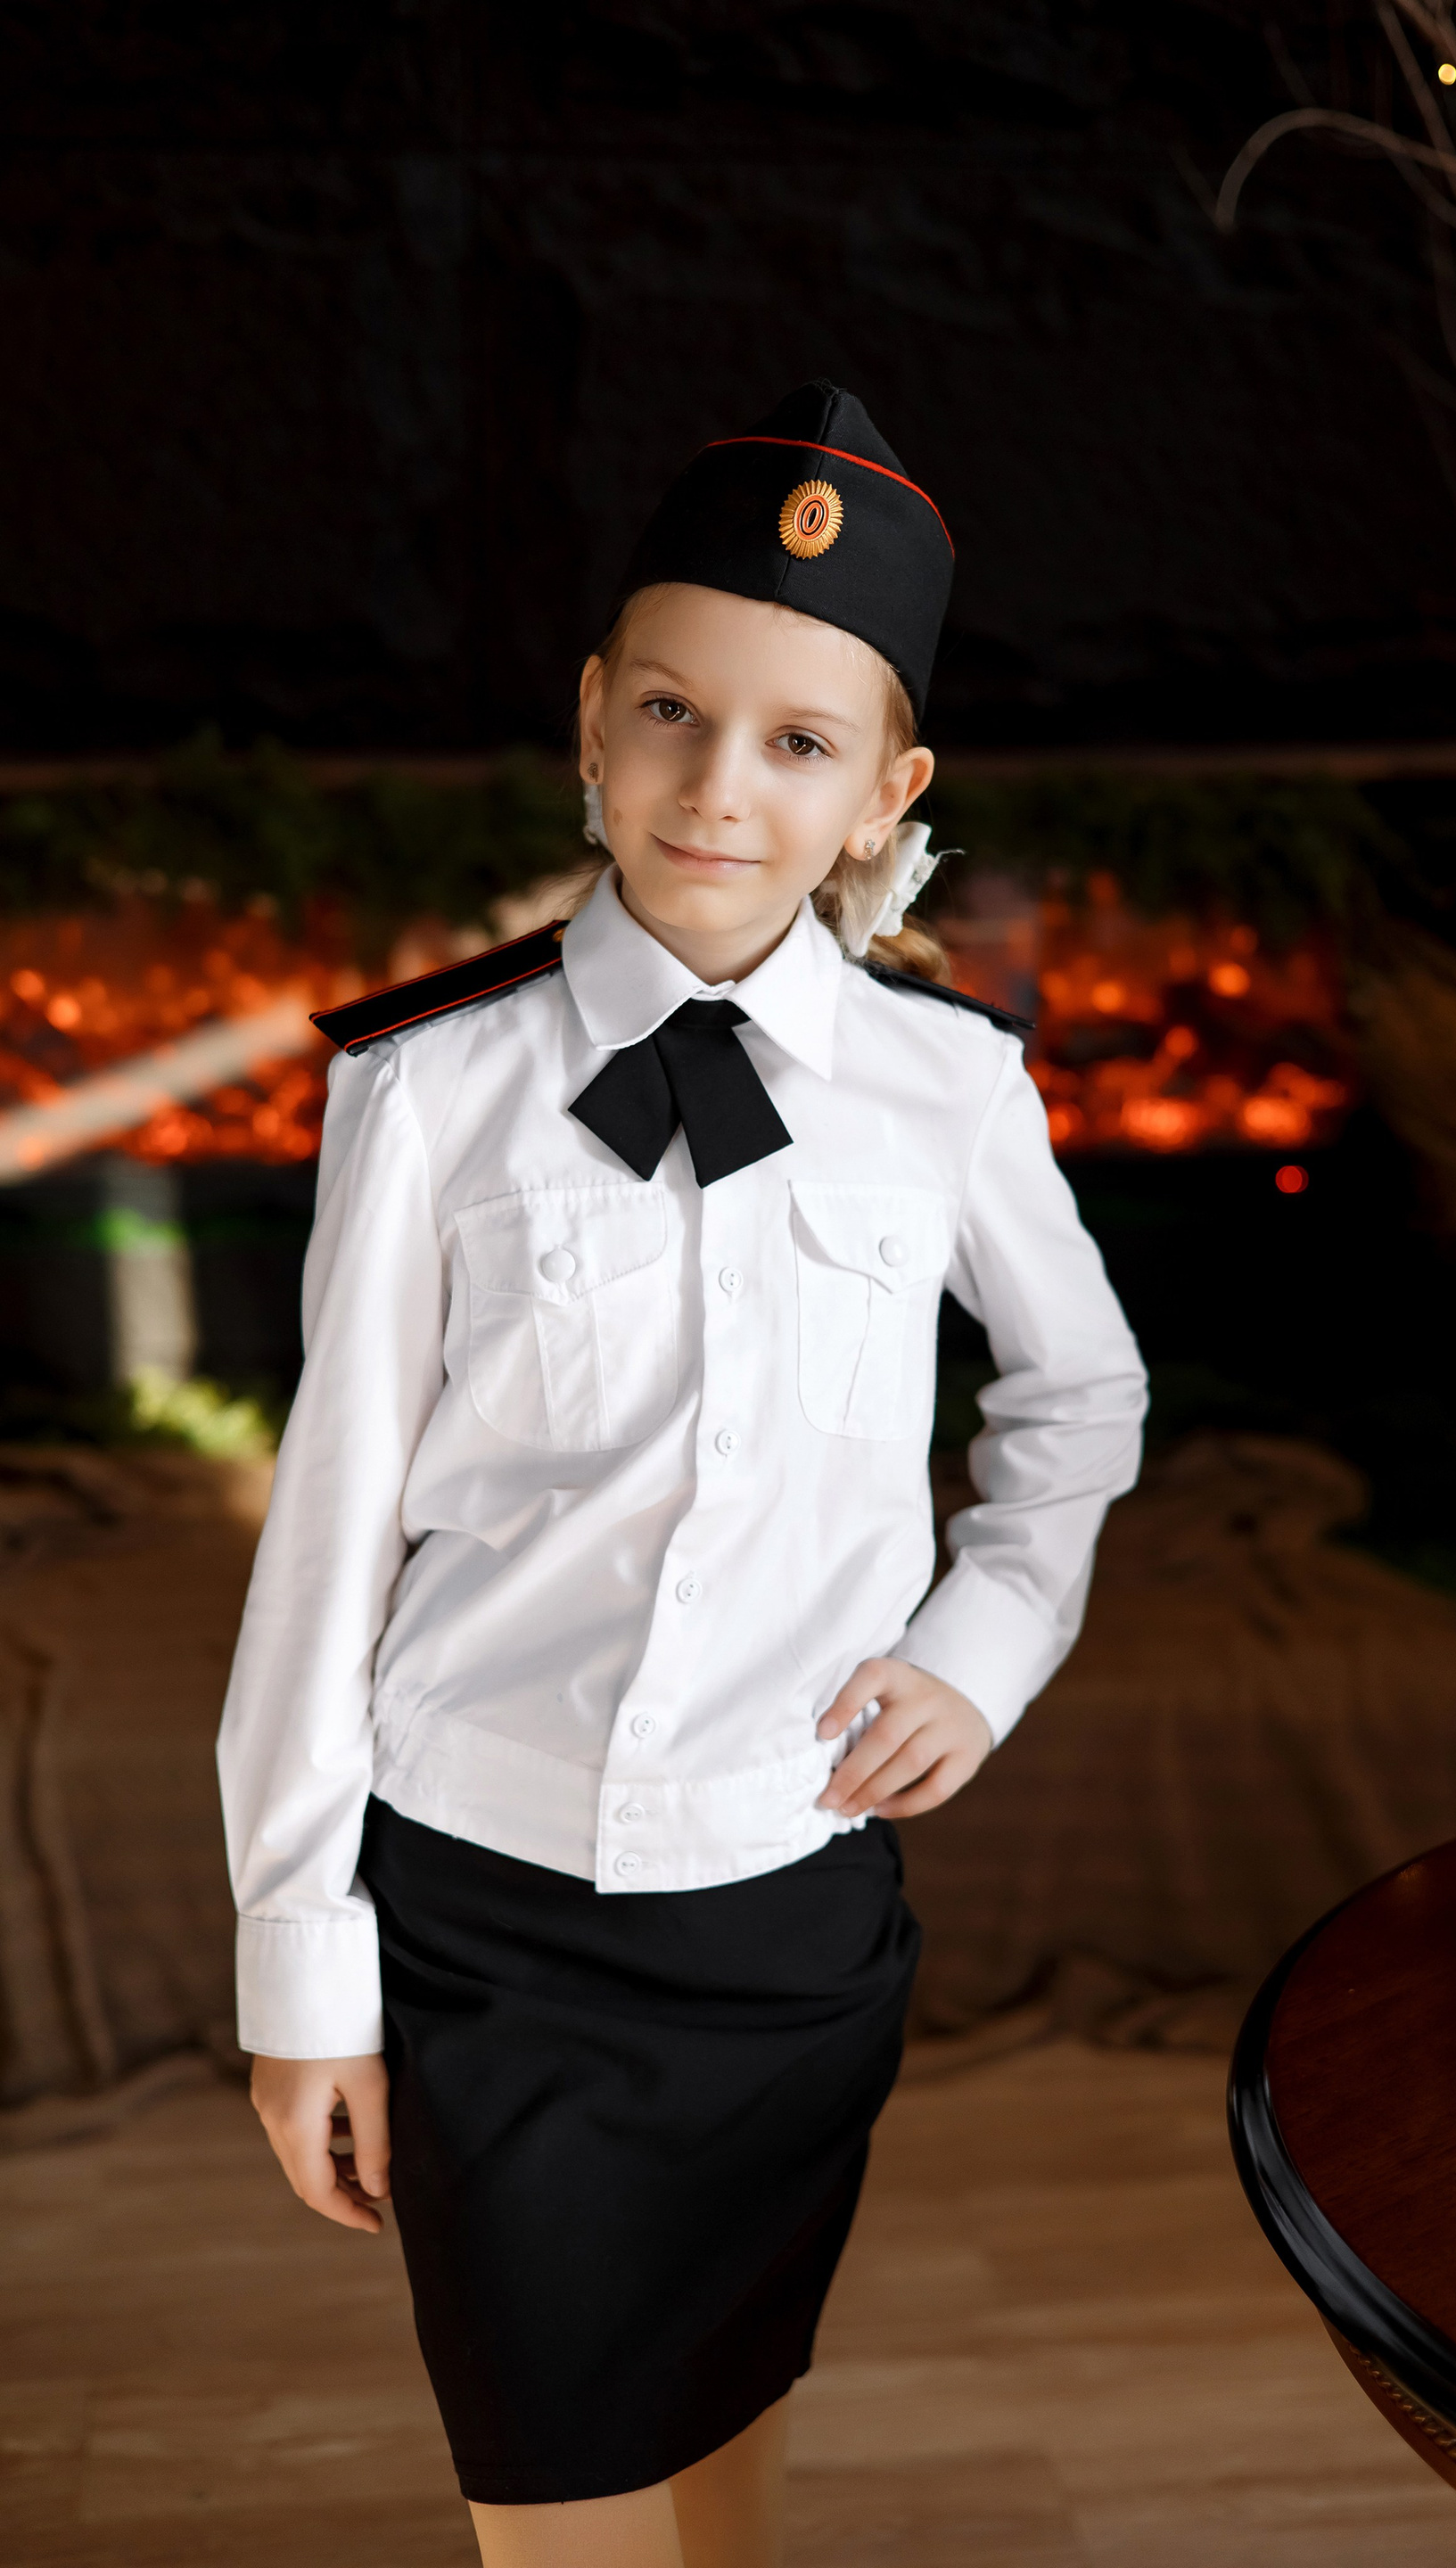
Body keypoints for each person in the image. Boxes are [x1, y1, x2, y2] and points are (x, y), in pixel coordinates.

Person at [217, 379, 1147, 2568]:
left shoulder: (944, 1089)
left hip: (791, 1921)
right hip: (487, 1922)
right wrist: (300, 1977)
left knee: (727, 2484)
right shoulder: (434, 1087)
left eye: (799, 742)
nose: (721, 784)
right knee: (560, 2504)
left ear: (887, 792)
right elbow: (328, 1545)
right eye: (671, 714)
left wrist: (984, 1644)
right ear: (593, 721)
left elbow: (1079, 1396)